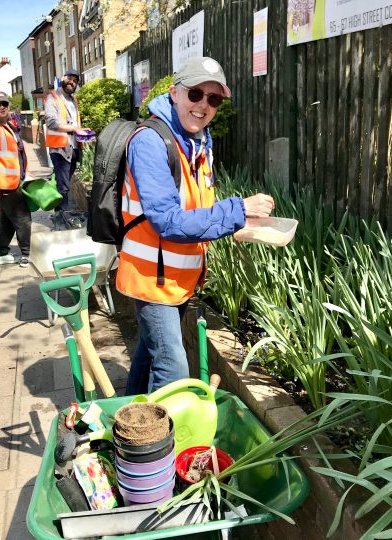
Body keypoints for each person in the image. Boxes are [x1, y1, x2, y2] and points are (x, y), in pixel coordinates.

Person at [117, 57, 275, 395]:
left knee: (149, 353)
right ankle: (159, 445)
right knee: (172, 367)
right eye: (195, 94)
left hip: (178, 277)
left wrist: (238, 227)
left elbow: (198, 209)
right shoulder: (149, 142)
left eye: (213, 99)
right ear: (175, 93)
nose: (203, 105)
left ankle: (128, 415)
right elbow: (167, 221)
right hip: (151, 279)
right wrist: (237, 210)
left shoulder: (199, 144)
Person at [0, 91, 32, 268]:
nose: (2, 107)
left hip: (12, 182)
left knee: (7, 220)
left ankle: (1, 253)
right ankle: (26, 255)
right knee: (23, 219)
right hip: (5, 185)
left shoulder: (6, 125)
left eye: (5, 104)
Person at [44, 68, 88, 227]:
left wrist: (83, 131)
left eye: (75, 81)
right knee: (63, 187)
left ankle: (58, 217)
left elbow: (74, 123)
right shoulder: (53, 97)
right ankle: (63, 222)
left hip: (74, 148)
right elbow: (51, 122)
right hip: (60, 149)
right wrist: (75, 129)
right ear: (63, 79)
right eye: (70, 78)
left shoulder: (74, 100)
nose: (72, 82)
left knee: (64, 185)